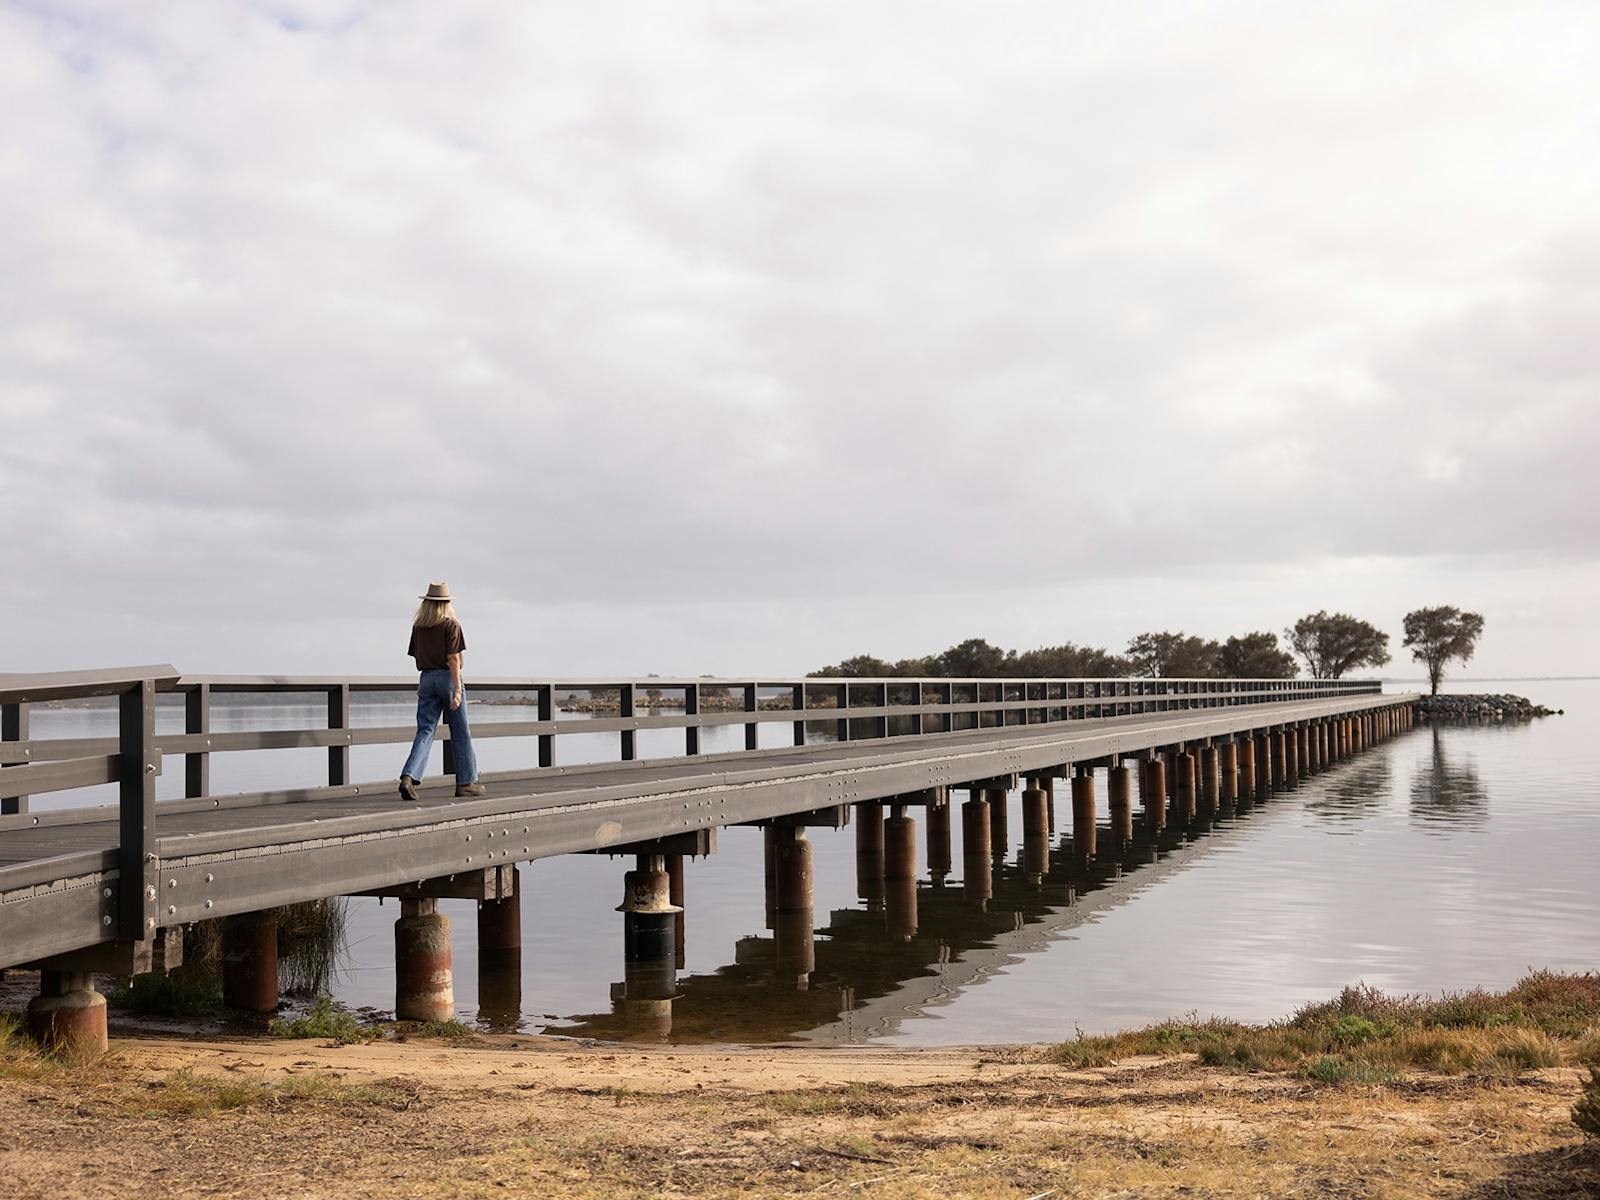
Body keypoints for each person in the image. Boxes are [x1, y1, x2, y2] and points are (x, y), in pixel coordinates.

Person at [399, 581, 484, 800]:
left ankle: (409, 776)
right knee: (460, 731)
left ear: (426, 603)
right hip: (448, 678)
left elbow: (417, 656)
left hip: (426, 678)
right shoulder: (451, 625)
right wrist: (457, 689)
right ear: (446, 603)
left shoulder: (418, 626)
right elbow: (453, 659)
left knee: (425, 730)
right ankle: (466, 782)